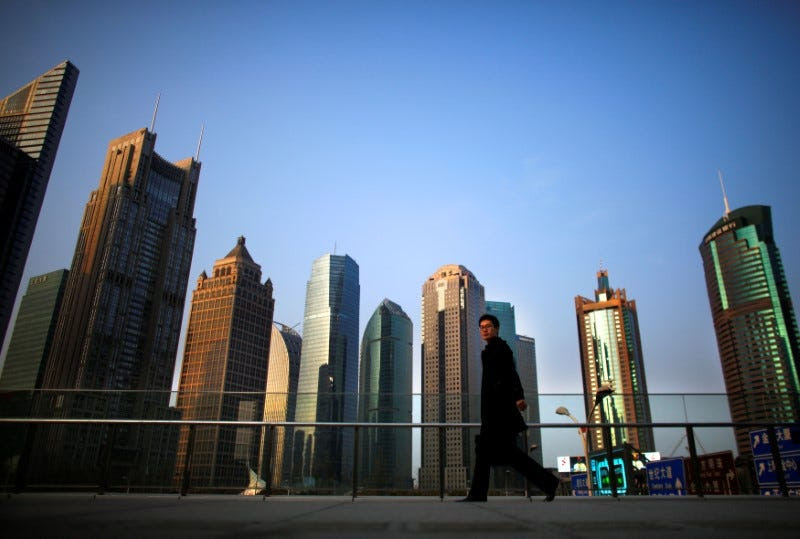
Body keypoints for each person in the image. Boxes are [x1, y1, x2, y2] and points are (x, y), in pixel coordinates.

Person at [459, 314, 559, 502]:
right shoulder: (489, 350)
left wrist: (518, 396)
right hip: (492, 410)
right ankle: (479, 493)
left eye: (488, 326)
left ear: (496, 328)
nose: (484, 330)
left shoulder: (500, 348)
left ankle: (478, 494)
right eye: (481, 327)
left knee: (502, 453)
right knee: (491, 452)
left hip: (500, 411)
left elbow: (511, 373)